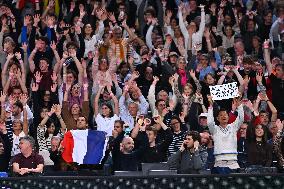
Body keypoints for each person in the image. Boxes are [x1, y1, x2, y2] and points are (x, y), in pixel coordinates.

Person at [207, 96, 244, 173]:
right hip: (219, 163)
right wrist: (210, 106)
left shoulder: (233, 127)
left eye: (225, 115)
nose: (223, 116)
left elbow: (241, 118)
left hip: (233, 163)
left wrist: (239, 105)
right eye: (221, 115)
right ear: (217, 118)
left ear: (228, 116)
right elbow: (210, 122)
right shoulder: (215, 129)